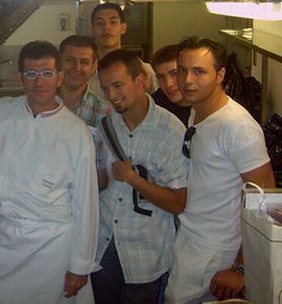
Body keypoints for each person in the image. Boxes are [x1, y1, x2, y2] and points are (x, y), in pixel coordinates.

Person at [0, 40, 100, 304]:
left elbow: (86, 204)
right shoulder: (0, 114)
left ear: (59, 77)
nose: (39, 82)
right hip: (7, 241)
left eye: (47, 73)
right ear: (20, 78)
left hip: (54, 247)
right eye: (31, 74)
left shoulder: (76, 131)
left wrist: (80, 265)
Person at [165, 36, 276, 304]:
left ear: (220, 75)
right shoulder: (198, 111)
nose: (187, 80)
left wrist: (240, 267)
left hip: (218, 254)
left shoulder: (237, 126)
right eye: (182, 71)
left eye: (199, 71)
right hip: (191, 241)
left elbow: (264, 197)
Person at [91, 49, 188, 304]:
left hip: (146, 253)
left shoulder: (171, 131)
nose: (111, 95)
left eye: (118, 85)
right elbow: (103, 182)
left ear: (141, 80)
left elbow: (178, 203)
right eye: (105, 88)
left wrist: (134, 179)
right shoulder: (106, 125)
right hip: (104, 245)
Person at [89, 3, 157, 95]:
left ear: (123, 28)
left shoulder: (143, 69)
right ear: (92, 29)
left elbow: (156, 101)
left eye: (113, 22)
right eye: (99, 23)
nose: (106, 27)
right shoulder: (83, 71)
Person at [58, 35, 110, 144]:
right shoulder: (42, 104)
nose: (77, 68)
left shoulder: (104, 113)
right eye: (70, 60)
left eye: (84, 62)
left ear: (94, 66)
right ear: (59, 63)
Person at [150, 44, 192, 126]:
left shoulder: (207, 105)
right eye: (161, 77)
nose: (168, 84)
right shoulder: (154, 107)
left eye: (174, 74)